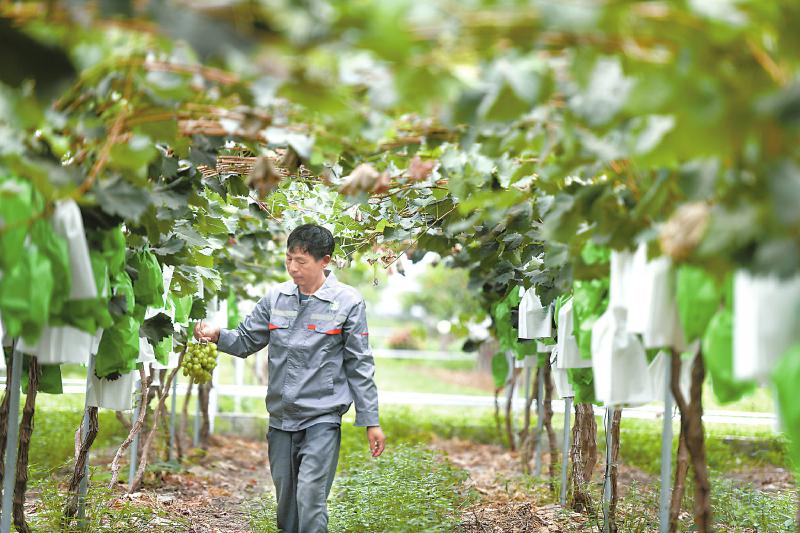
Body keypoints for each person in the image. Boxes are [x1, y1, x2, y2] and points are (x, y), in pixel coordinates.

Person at [194, 223, 385, 533]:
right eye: (289, 259)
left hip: (322, 417)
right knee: (287, 505)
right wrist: (218, 335)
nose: (293, 268)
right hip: (281, 417)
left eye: (302, 261)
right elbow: (245, 341)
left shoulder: (348, 302)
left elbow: (359, 364)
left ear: (325, 261)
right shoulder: (276, 299)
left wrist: (371, 421)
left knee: (310, 496)